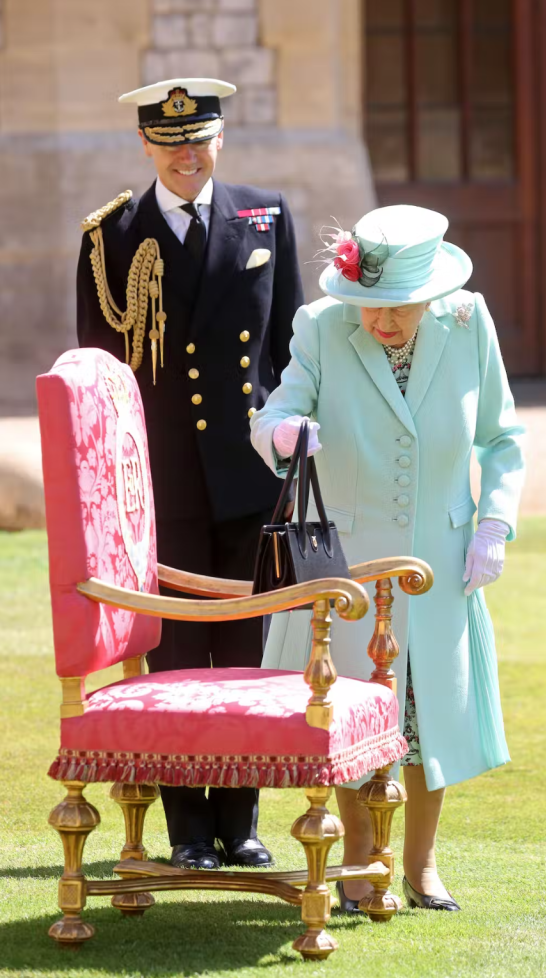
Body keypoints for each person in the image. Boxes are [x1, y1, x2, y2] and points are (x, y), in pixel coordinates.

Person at [250, 205, 525, 911]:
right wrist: (286, 438)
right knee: (346, 713)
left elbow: (501, 438)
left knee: (425, 716)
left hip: (440, 555)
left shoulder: (469, 324)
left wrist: (493, 523)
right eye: (368, 308)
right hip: (344, 561)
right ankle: (356, 863)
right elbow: (273, 414)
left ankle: (421, 868)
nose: (379, 322)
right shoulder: (319, 325)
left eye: (396, 309)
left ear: (431, 294)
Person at [77, 77, 304, 870]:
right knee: (175, 658)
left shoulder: (265, 214)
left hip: (249, 481)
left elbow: (289, 356)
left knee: (245, 656)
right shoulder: (110, 238)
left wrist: (299, 445)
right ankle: (187, 832)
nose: (185, 155)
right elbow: (102, 383)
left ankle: (240, 824)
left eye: (198, 139)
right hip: (162, 487)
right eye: (169, 143)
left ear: (220, 141)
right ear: (145, 145)